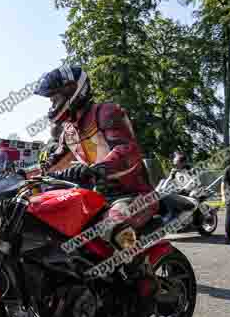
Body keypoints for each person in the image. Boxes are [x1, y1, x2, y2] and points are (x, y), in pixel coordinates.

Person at [35, 64, 159, 248]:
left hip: (133, 195)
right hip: (97, 197)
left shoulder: (105, 112)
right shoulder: (68, 131)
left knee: (111, 226)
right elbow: (54, 164)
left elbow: (126, 150)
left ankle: (138, 270)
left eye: (55, 99)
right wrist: (20, 174)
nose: (53, 105)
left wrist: (95, 170)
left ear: (72, 91)